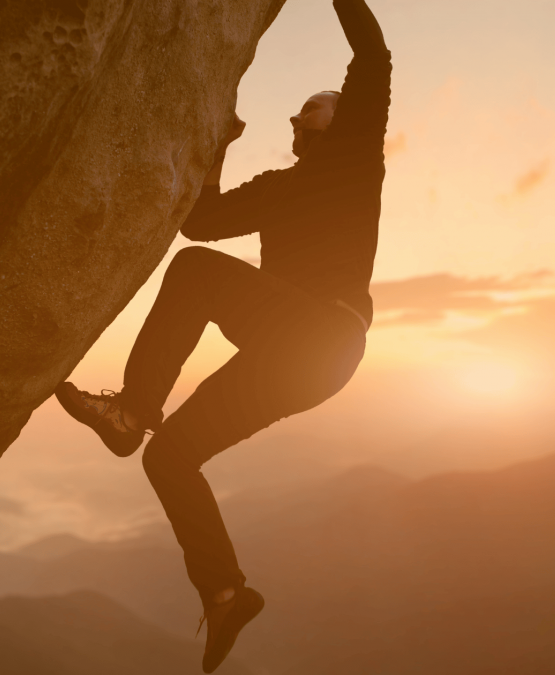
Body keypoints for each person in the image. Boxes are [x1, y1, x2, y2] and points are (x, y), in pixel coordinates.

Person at [54, 0, 391, 670]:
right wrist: (218, 148)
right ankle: (226, 591)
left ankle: (131, 409)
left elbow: (372, 56)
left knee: (193, 277)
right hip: (295, 360)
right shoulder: (278, 187)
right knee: (168, 456)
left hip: (326, 332)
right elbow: (200, 221)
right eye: (295, 114)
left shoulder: (355, 157)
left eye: (310, 107)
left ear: (340, 116)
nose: (296, 117)